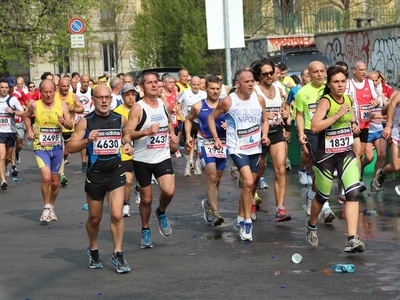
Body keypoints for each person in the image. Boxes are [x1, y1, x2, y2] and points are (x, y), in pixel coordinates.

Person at [67, 84, 132, 273]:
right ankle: (93, 249)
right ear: (93, 99)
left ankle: (118, 253)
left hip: (115, 172)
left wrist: (127, 144)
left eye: (107, 97)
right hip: (95, 175)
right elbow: (70, 147)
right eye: (99, 97)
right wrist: (88, 140)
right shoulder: (85, 122)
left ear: (111, 99)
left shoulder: (119, 118)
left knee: (117, 214)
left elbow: (126, 134)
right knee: (95, 218)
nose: (104, 100)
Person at [307, 66, 365, 253]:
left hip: (345, 153)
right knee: (322, 196)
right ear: (329, 84)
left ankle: (352, 239)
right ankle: (312, 224)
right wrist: (337, 115)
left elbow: (352, 120)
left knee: (353, 193)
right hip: (326, 156)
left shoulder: (349, 98)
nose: (340, 85)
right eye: (335, 82)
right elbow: (315, 127)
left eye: (342, 81)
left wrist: (354, 126)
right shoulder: (326, 101)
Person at [208, 68, 270, 242]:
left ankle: (239, 218)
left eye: (252, 81)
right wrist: (216, 138)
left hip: (255, 148)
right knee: (248, 182)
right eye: (247, 81)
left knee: (249, 187)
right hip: (237, 148)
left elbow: (265, 120)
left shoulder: (259, 100)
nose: (251, 84)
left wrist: (264, 135)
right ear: (237, 84)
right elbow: (212, 118)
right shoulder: (228, 101)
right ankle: (247, 223)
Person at [122, 72, 179, 249]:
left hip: (162, 156)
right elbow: (127, 134)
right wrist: (146, 132)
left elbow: (169, 122)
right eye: (149, 83)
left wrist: (171, 135)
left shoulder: (164, 104)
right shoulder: (138, 108)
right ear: (142, 87)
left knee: (169, 191)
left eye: (156, 82)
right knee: (146, 199)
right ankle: (145, 229)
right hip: (142, 159)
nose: (154, 85)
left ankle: (161, 212)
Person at [24, 79, 73, 221]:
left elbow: (70, 125)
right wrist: (29, 130)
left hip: (57, 147)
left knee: (55, 182)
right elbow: (26, 117)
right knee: (46, 178)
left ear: (54, 91)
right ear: (40, 92)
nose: (48, 94)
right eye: (45, 92)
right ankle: (46, 207)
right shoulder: (35, 105)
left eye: (50, 91)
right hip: (41, 147)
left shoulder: (62, 105)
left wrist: (64, 122)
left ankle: (51, 206)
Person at [251, 58, 292, 222]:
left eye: (271, 72)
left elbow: (284, 106)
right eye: (265, 74)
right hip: (258, 134)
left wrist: (285, 114)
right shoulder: (254, 90)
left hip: (276, 132)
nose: (269, 76)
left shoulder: (279, 87)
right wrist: (263, 115)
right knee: (258, 171)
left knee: (280, 169)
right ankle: (252, 201)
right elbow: (246, 110)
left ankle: (280, 208)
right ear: (259, 76)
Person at [296, 61, 335, 223]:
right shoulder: (302, 93)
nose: (319, 74)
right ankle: (325, 207)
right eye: (315, 72)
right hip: (312, 133)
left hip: (331, 132)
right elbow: (299, 114)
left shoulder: (331, 87)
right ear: (309, 75)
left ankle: (311, 195)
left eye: (321, 71)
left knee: (328, 171)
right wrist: (300, 134)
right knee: (321, 169)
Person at [185, 74, 226, 226]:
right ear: (206, 88)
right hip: (205, 143)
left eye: (218, 88)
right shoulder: (198, 106)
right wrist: (188, 136)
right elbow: (188, 119)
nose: (215, 91)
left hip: (222, 144)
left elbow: (235, 121)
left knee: (218, 179)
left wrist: (229, 125)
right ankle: (215, 212)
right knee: (212, 176)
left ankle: (209, 204)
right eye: (212, 88)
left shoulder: (225, 104)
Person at [345, 61, 380, 192]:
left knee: (363, 153)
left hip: (365, 123)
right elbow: (345, 99)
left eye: (365, 69)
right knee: (357, 152)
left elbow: (379, 99)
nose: (364, 72)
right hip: (352, 123)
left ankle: (356, 175)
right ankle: (356, 181)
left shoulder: (370, 83)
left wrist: (376, 101)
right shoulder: (348, 83)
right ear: (353, 70)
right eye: (361, 70)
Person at [359, 71, 389, 187]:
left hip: (378, 129)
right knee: (369, 157)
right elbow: (367, 115)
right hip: (367, 130)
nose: (374, 83)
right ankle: (359, 172)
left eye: (376, 80)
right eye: (371, 80)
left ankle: (374, 181)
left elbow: (386, 107)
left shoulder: (380, 93)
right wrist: (383, 116)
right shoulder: (364, 93)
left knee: (381, 155)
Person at [114, 84, 138, 216]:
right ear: (122, 97)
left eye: (132, 94)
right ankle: (126, 204)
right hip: (125, 151)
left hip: (141, 150)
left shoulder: (140, 108)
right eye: (127, 95)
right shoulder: (117, 112)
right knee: (128, 181)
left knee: (142, 180)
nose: (130, 97)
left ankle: (138, 189)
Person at [57, 77, 84, 186]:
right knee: (60, 150)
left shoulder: (73, 96)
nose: (65, 88)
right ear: (58, 86)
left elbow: (81, 108)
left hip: (68, 127)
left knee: (66, 152)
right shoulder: (54, 96)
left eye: (67, 86)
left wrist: (72, 109)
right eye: (63, 86)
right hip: (56, 127)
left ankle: (60, 165)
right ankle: (62, 173)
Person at [287, 68, 312, 185]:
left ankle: (308, 172)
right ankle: (302, 170)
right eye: (307, 75)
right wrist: (288, 116)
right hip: (300, 123)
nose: (309, 77)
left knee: (312, 152)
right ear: (301, 77)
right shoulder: (295, 90)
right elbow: (287, 103)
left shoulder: (315, 89)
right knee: (306, 151)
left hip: (314, 124)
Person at [177, 76, 207, 176]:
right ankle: (187, 165)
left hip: (200, 122)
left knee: (199, 144)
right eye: (194, 84)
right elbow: (177, 105)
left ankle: (197, 164)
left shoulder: (204, 94)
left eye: (198, 85)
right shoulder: (185, 93)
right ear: (190, 84)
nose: (196, 86)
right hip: (188, 121)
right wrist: (181, 115)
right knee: (188, 145)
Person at [372, 91, 400, 192]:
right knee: (396, 166)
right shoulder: (397, 93)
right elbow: (384, 111)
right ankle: (382, 173)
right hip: (397, 133)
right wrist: (388, 126)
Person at [0, 79, 25, 190]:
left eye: (6, 87)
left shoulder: (13, 100)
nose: (4, 89)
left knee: (8, 157)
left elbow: (23, 112)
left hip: (11, 131)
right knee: (1, 156)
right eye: (2, 87)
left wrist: (13, 112)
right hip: (0, 132)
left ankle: (3, 168)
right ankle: (3, 180)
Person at [75, 74, 93, 172]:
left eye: (87, 82)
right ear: (80, 82)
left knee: (90, 140)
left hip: (89, 118)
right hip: (78, 119)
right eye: (84, 82)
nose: (86, 84)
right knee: (82, 141)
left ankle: (91, 159)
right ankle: (83, 162)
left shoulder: (92, 91)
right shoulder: (75, 91)